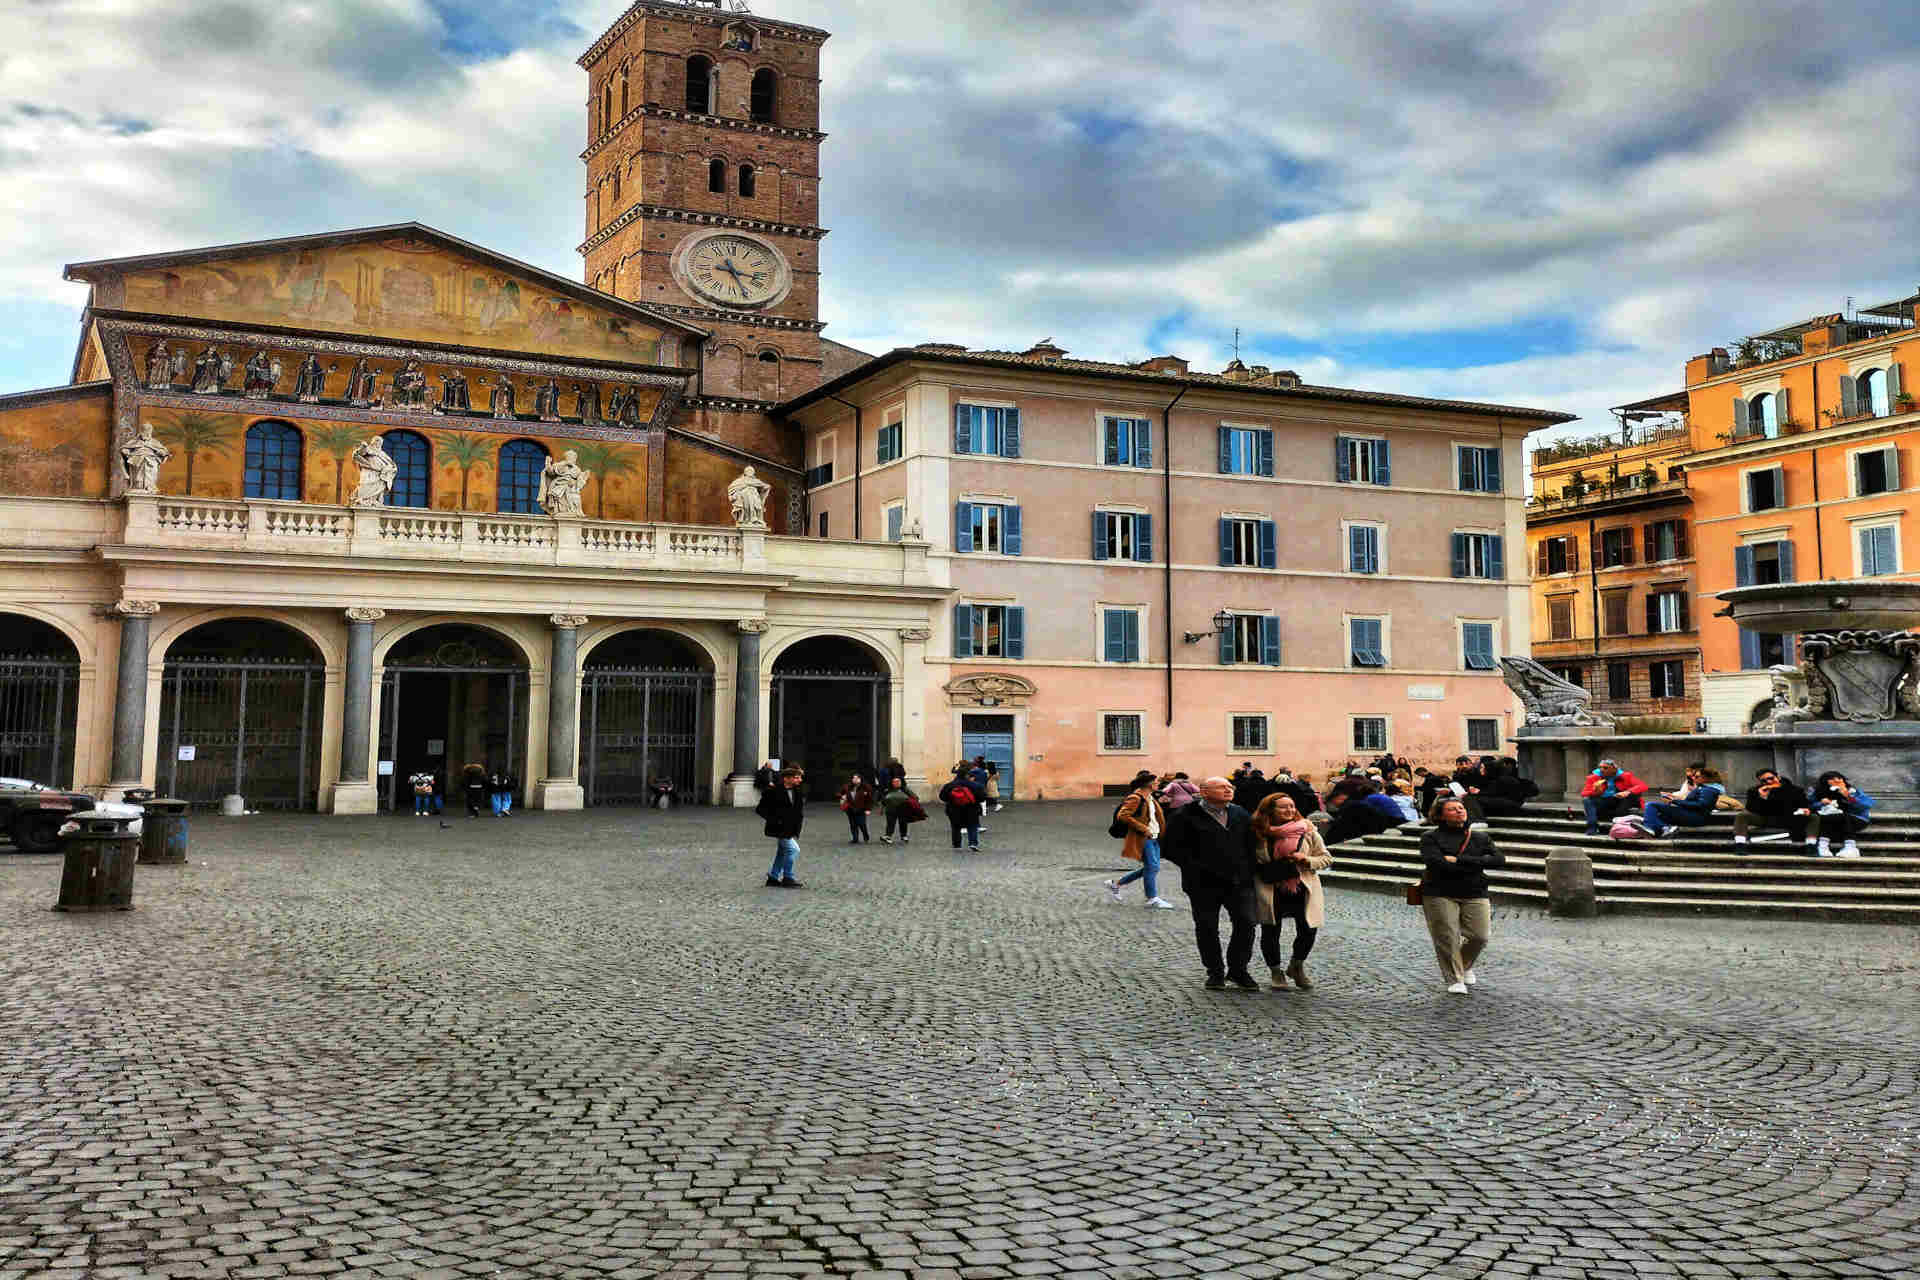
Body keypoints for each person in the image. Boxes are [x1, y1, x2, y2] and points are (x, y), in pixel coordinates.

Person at [1160, 775, 1260, 991]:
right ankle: (1215, 972)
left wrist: (1247, 869)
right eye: (1222, 787)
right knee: (1207, 927)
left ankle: (1238, 970)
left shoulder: (1239, 813)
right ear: (1204, 792)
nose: (1228, 790)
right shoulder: (1185, 815)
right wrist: (1196, 867)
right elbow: (1170, 848)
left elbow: (1252, 843)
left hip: (1238, 881)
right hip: (1202, 884)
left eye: (1229, 786)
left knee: (1246, 924)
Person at [1419, 797, 1506, 995]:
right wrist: (1477, 863)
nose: (1459, 811)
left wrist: (1459, 860)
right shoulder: (1430, 838)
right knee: (1447, 936)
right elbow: (1436, 863)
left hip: (1475, 890)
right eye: (1452, 809)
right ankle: (1455, 978)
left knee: (1480, 936)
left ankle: (1464, 965)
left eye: (1461, 807)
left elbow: (1499, 860)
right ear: (1440, 815)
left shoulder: (1479, 838)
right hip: (1439, 891)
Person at [1250, 792, 1333, 991]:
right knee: (1271, 930)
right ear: (1270, 810)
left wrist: (1307, 860)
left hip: (1302, 887)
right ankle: (1276, 972)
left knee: (1308, 930)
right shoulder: (1258, 832)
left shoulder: (1307, 830)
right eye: (1283, 807)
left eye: (1292, 806)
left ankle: (1296, 966)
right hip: (1271, 888)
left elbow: (1326, 858)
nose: (1290, 810)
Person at [1105, 770, 1176, 909]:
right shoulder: (1136, 798)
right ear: (1148, 784)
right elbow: (1123, 815)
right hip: (1143, 837)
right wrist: (1144, 829)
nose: (1158, 784)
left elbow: (1154, 817)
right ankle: (1152, 898)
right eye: (1156, 782)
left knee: (1152, 867)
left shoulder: (1150, 797)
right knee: (1152, 867)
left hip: (1154, 836)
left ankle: (1116, 884)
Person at [1638, 764, 1724, 837]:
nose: (1693, 778)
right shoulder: (1703, 788)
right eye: (1693, 776)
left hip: (1695, 817)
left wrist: (1674, 801)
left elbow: (1701, 805)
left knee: (1651, 805)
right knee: (1657, 816)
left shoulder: (1708, 790)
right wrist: (1673, 798)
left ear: (1705, 778)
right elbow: (1690, 802)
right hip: (1691, 814)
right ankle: (1661, 828)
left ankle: (1656, 828)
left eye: (1697, 776)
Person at [755, 765, 807, 887]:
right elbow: (760, 809)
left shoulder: (797, 791)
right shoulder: (772, 791)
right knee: (793, 849)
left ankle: (773, 877)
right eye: (796, 777)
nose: (800, 780)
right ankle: (788, 877)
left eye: (799, 777)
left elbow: (798, 811)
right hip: (779, 828)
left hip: (790, 828)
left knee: (782, 852)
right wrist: (775, 820)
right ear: (786, 778)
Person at [1734, 768, 1810, 850]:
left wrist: (1804, 810)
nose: (1769, 782)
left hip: (1789, 819)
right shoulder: (1754, 791)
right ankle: (1740, 844)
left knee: (1813, 816)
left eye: (1771, 778)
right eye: (1764, 780)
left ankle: (1811, 845)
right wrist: (1763, 798)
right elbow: (1750, 809)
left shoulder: (1794, 790)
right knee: (1742, 815)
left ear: (1778, 777)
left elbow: (1804, 805)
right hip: (1765, 818)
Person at [1807, 771, 1872, 858]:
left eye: (1838, 778)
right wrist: (1821, 803)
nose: (1836, 781)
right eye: (1831, 779)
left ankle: (1850, 848)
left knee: (1845, 817)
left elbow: (1866, 805)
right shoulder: (1819, 793)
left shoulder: (1853, 791)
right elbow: (1807, 806)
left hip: (1855, 819)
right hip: (1830, 820)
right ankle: (1822, 846)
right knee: (1827, 817)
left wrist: (1848, 796)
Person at [1579, 759, 1648, 835]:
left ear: (1614, 769)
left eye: (1605, 768)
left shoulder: (1626, 776)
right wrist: (1596, 792)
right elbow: (1584, 793)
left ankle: (1619, 825)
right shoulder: (1593, 777)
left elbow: (1643, 786)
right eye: (1600, 767)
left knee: (1631, 795)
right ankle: (1592, 827)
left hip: (1621, 801)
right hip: (1604, 801)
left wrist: (1627, 792)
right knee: (1587, 800)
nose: (1602, 770)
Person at [938, 764, 983, 851]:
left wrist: (951, 800)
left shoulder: (949, 785)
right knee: (972, 825)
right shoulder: (975, 785)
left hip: (954, 809)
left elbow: (942, 797)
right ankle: (973, 843)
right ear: (967, 775)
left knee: (955, 827)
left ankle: (957, 845)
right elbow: (982, 797)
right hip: (971, 809)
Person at [1475, 758, 1539, 819]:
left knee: (1476, 799)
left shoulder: (1504, 779)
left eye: (1482, 768)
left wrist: (1479, 792)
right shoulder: (1493, 779)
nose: (1480, 770)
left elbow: (1495, 793)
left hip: (1509, 806)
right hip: (1506, 804)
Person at [838, 772, 874, 844]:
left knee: (862, 824)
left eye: (857, 778)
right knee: (853, 824)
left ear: (860, 779)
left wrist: (868, 809)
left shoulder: (866, 787)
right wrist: (842, 797)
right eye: (854, 778)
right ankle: (855, 838)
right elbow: (839, 793)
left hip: (861, 809)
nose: (855, 780)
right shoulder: (847, 787)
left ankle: (865, 836)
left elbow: (870, 800)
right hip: (850, 808)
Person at [878, 778, 917, 844]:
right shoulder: (888, 790)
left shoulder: (905, 790)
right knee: (890, 823)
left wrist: (912, 806)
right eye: (895, 782)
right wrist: (881, 809)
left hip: (903, 809)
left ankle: (904, 836)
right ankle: (888, 836)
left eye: (898, 781)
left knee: (903, 823)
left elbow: (915, 797)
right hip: (891, 810)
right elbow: (883, 800)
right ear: (892, 783)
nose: (897, 783)